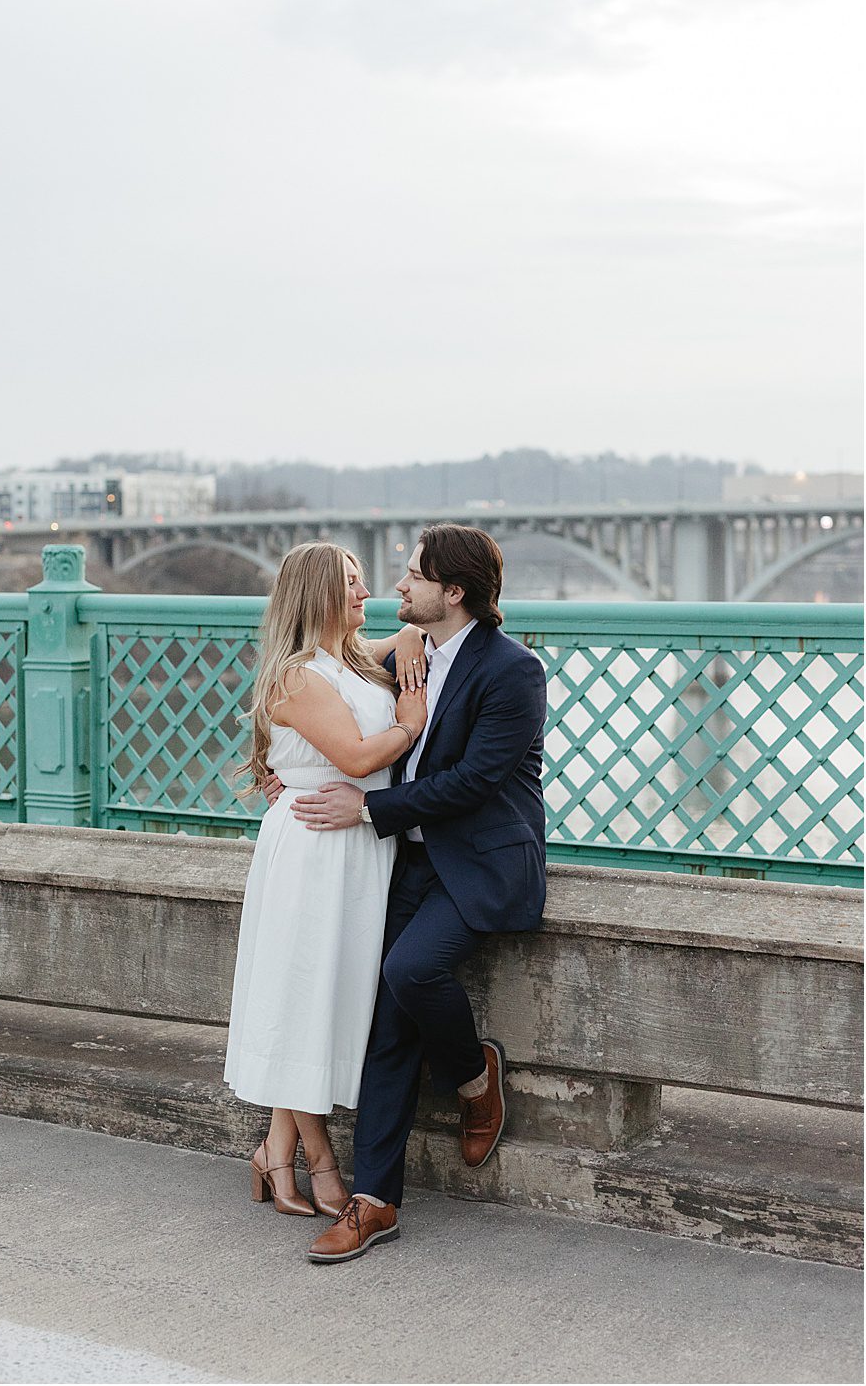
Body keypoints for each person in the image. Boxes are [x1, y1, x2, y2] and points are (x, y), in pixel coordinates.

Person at [289, 524, 547, 1265]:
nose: (396, 587)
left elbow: (474, 782)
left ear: (453, 592)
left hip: (481, 865)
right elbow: (313, 684)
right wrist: (286, 773)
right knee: (387, 1024)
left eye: (411, 578)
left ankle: (472, 1074)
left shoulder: (512, 671)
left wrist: (368, 811)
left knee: (408, 971)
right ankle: (375, 1202)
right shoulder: (405, 655)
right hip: (407, 862)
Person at [226, 542, 426, 1220]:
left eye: (366, 582)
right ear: (315, 594)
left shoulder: (353, 660)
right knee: (305, 999)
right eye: (349, 585)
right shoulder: (298, 675)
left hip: (357, 848)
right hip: (314, 845)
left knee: (325, 999)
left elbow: (403, 635)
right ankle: (316, 1161)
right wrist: (408, 726)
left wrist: (409, 631)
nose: (364, 592)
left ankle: (274, 1150)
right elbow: (355, 754)